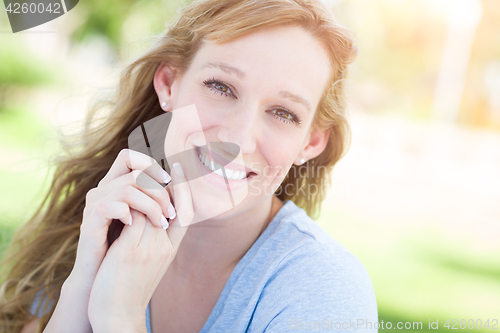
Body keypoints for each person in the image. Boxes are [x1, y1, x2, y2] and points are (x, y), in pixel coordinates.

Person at [0, 0, 378, 332]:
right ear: (168, 83)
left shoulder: (323, 290)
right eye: (221, 87)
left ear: (310, 142)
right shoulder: (102, 219)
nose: (239, 139)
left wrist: (120, 319)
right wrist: (83, 281)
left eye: (282, 113)